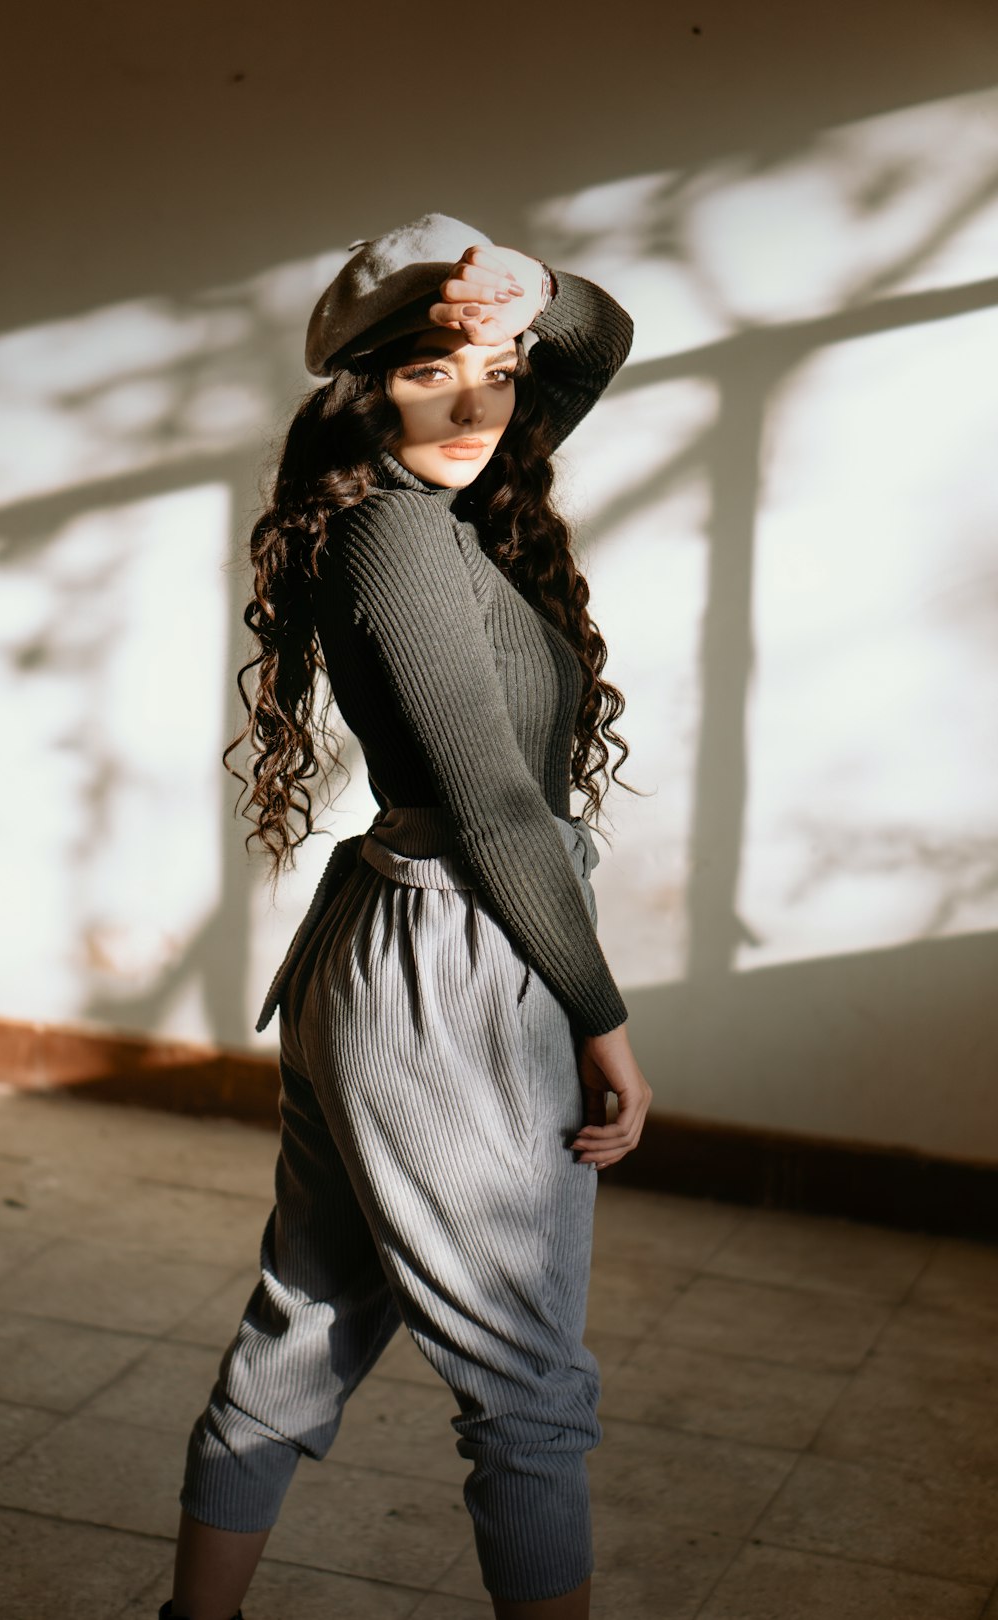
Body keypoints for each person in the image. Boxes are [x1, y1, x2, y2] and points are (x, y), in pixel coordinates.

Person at [160, 213, 653, 1620]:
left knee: (303, 1326)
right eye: (434, 373)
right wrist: (605, 1021)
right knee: (530, 1391)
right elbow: (497, 810)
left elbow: (599, 341)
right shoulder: (397, 538)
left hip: (390, 954)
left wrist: (536, 296)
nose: (478, 408)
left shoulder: (424, 500)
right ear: (366, 389)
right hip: (454, 965)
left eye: (499, 373)